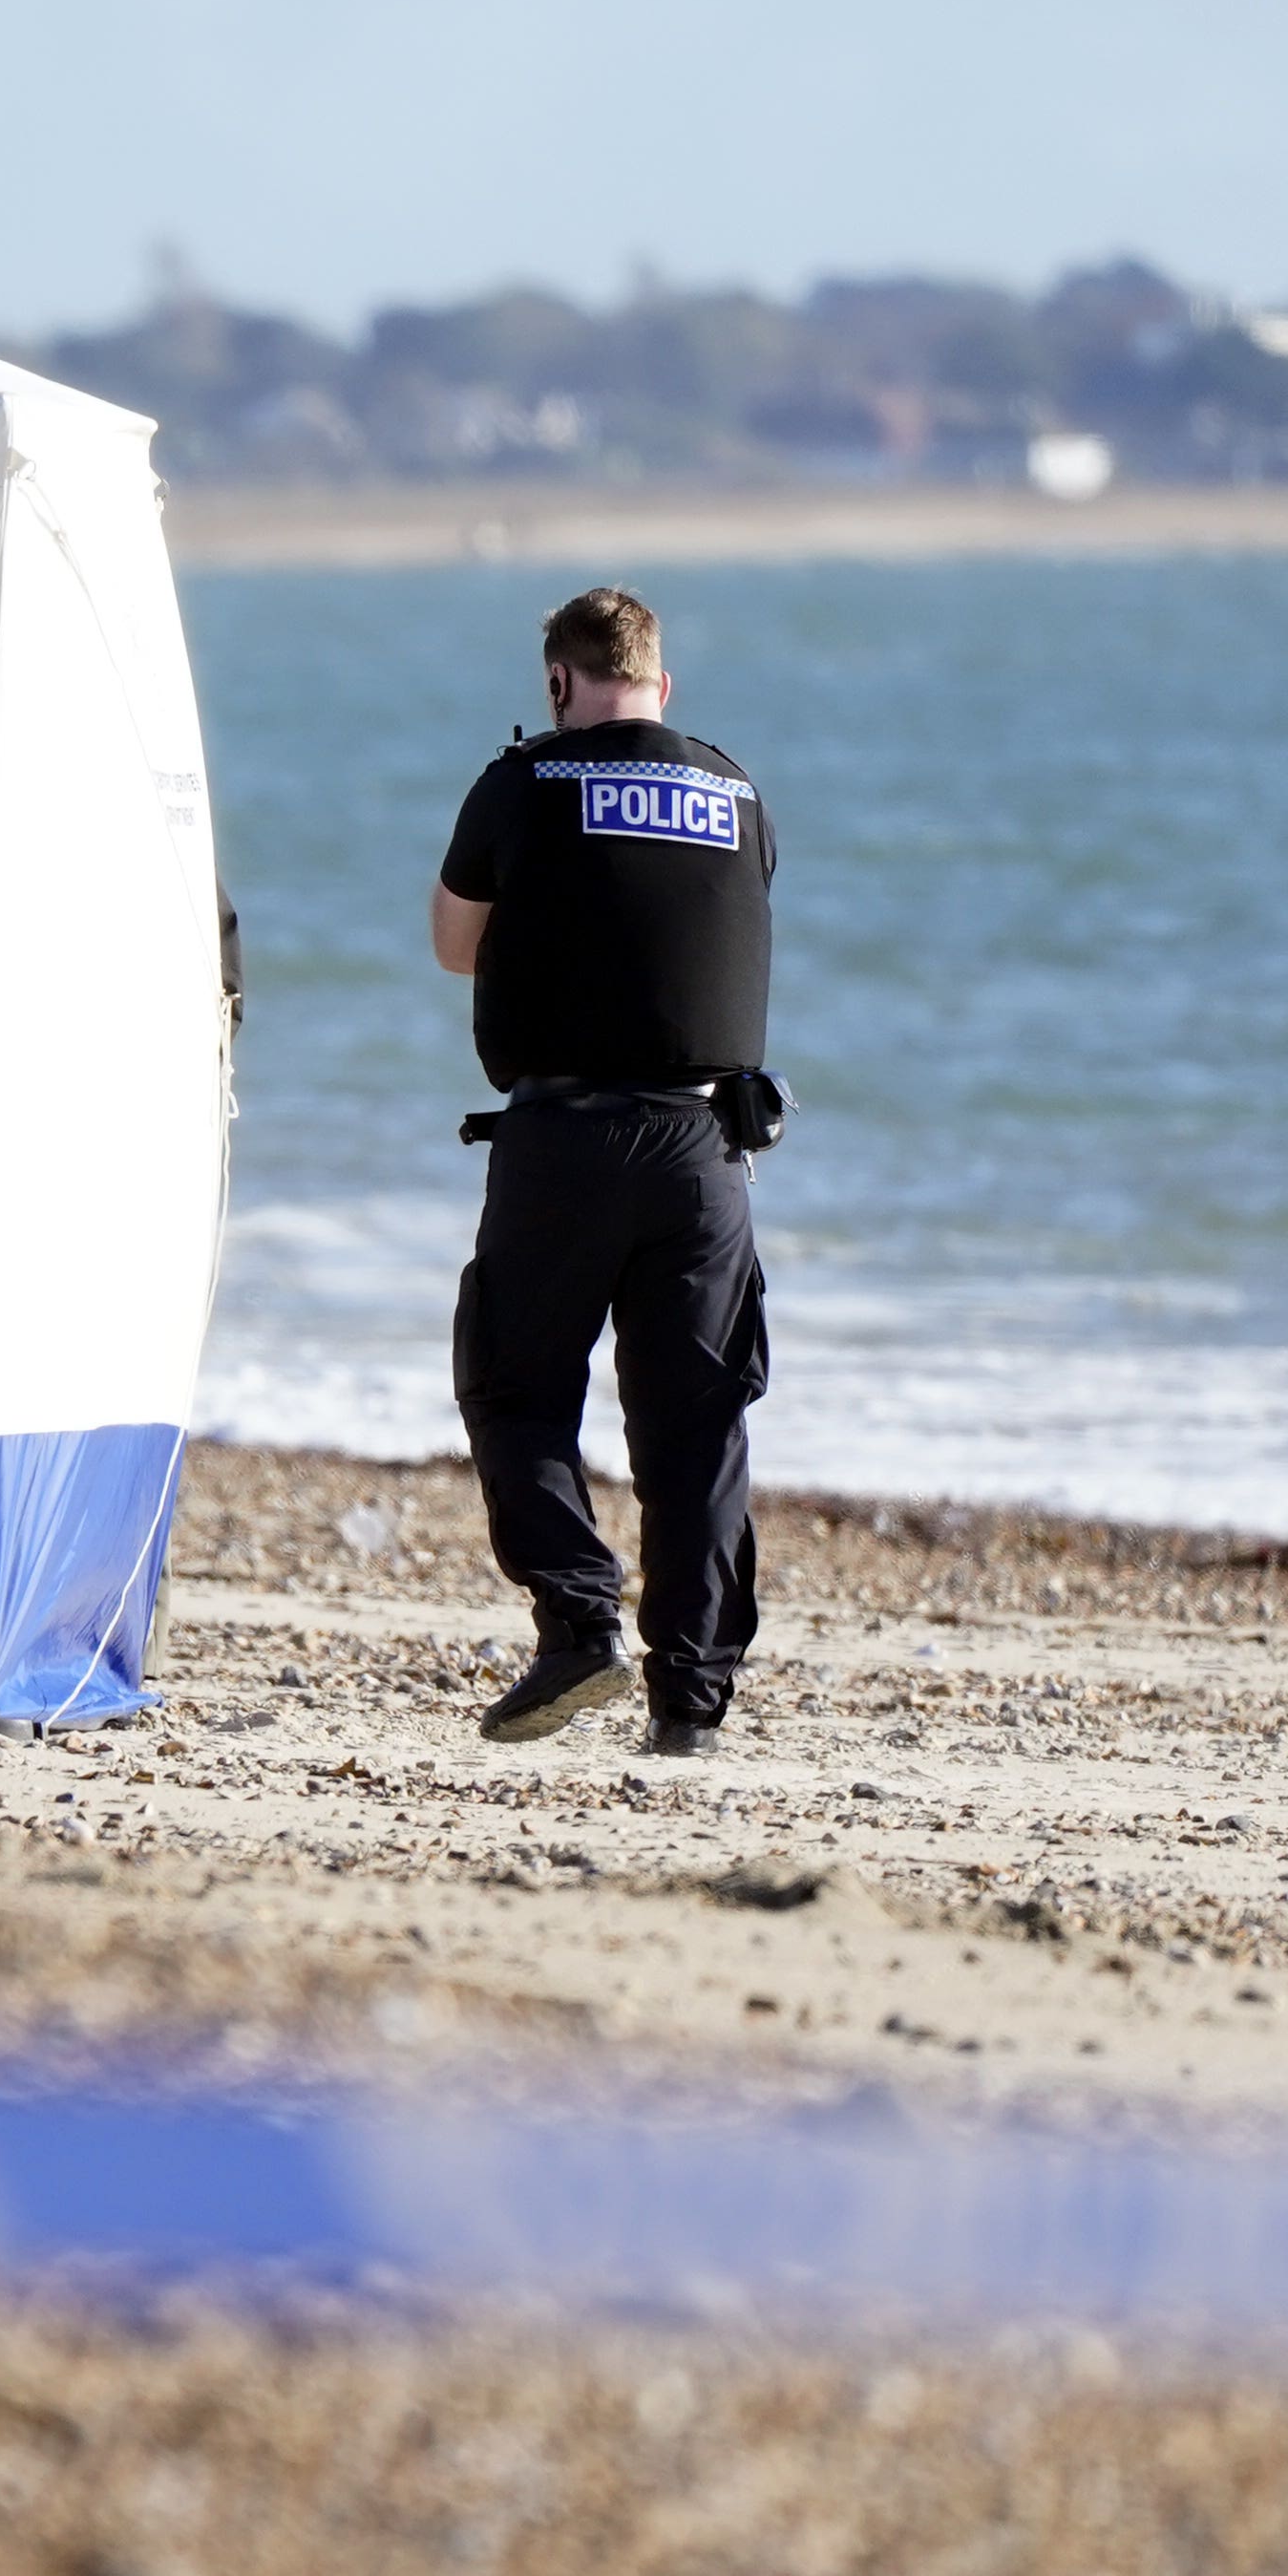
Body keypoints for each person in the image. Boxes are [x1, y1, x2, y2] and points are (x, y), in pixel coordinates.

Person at [427, 586, 776, 1755]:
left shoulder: (520, 784)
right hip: (703, 1152)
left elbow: (451, 945)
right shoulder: (734, 791)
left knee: (514, 1385)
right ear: (662, 687)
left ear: (558, 686)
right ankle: (691, 1704)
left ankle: (581, 1619)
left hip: (564, 1141)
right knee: (696, 1428)